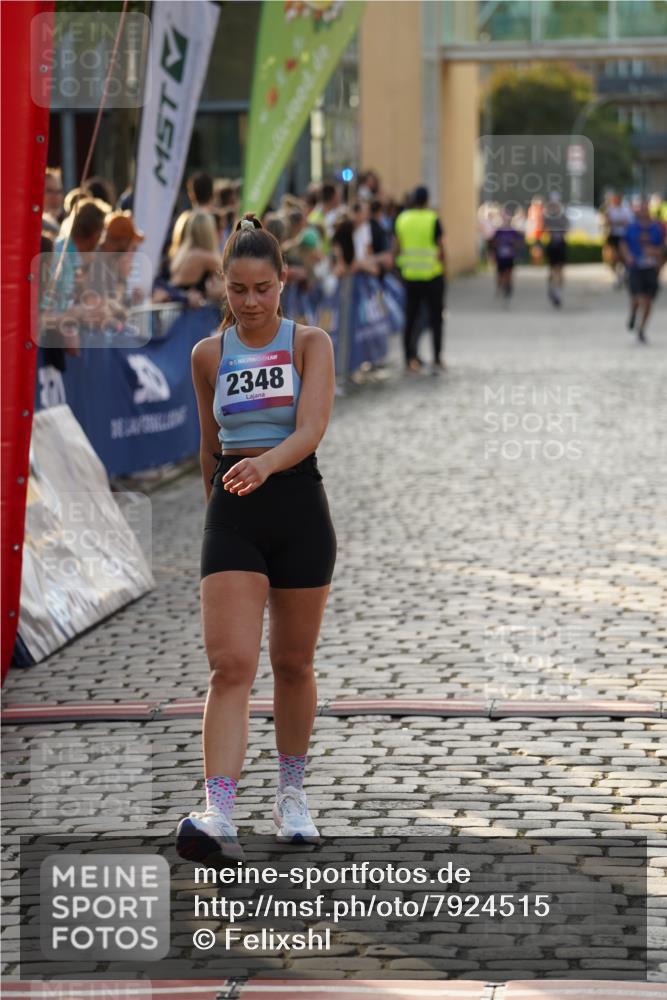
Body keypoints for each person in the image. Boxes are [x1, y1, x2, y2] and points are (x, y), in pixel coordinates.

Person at [176, 214, 337, 862]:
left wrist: (266, 465)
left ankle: (291, 795)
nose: (249, 302)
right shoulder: (207, 355)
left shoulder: (309, 343)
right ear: (222, 285)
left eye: (261, 289)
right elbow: (207, 447)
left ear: (282, 283)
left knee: (292, 664)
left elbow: (312, 426)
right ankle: (217, 809)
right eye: (237, 289)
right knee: (230, 664)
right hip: (233, 514)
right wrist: (215, 512)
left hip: (297, 501)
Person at [394, 184, 446, 374]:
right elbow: (440, 249)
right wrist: (444, 271)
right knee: (436, 319)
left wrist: (399, 268)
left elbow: (396, 247)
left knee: (410, 318)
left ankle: (408, 359)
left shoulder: (402, 219)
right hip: (432, 275)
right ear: (427, 200)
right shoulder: (432, 218)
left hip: (410, 277)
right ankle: (437, 359)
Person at [621, 197, 664, 344]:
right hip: (635, 268)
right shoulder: (631, 227)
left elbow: (662, 248)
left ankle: (642, 329)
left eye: (646, 208)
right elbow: (623, 243)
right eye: (642, 208)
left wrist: (655, 253)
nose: (644, 211)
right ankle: (633, 313)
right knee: (637, 298)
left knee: (648, 301)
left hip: (650, 268)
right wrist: (627, 255)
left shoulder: (656, 228)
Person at [543, 192, 569, 307]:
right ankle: (554, 288)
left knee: (560, 270)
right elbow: (544, 229)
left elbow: (566, 229)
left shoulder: (563, 216)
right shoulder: (548, 216)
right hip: (552, 245)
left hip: (560, 244)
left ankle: (557, 291)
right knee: (553, 270)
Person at [491, 210, 524, 300]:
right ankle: (499, 288)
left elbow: (519, 241)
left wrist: (515, 245)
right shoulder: (498, 231)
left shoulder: (513, 231)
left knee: (509, 273)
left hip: (509, 256)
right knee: (500, 274)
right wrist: (494, 253)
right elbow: (493, 243)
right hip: (500, 257)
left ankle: (508, 287)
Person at [603, 192, 633, 289]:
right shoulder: (610, 209)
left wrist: (616, 222)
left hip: (623, 236)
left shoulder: (626, 209)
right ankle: (618, 276)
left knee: (623, 257)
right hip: (613, 236)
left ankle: (623, 275)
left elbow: (628, 222)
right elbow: (607, 221)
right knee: (613, 257)